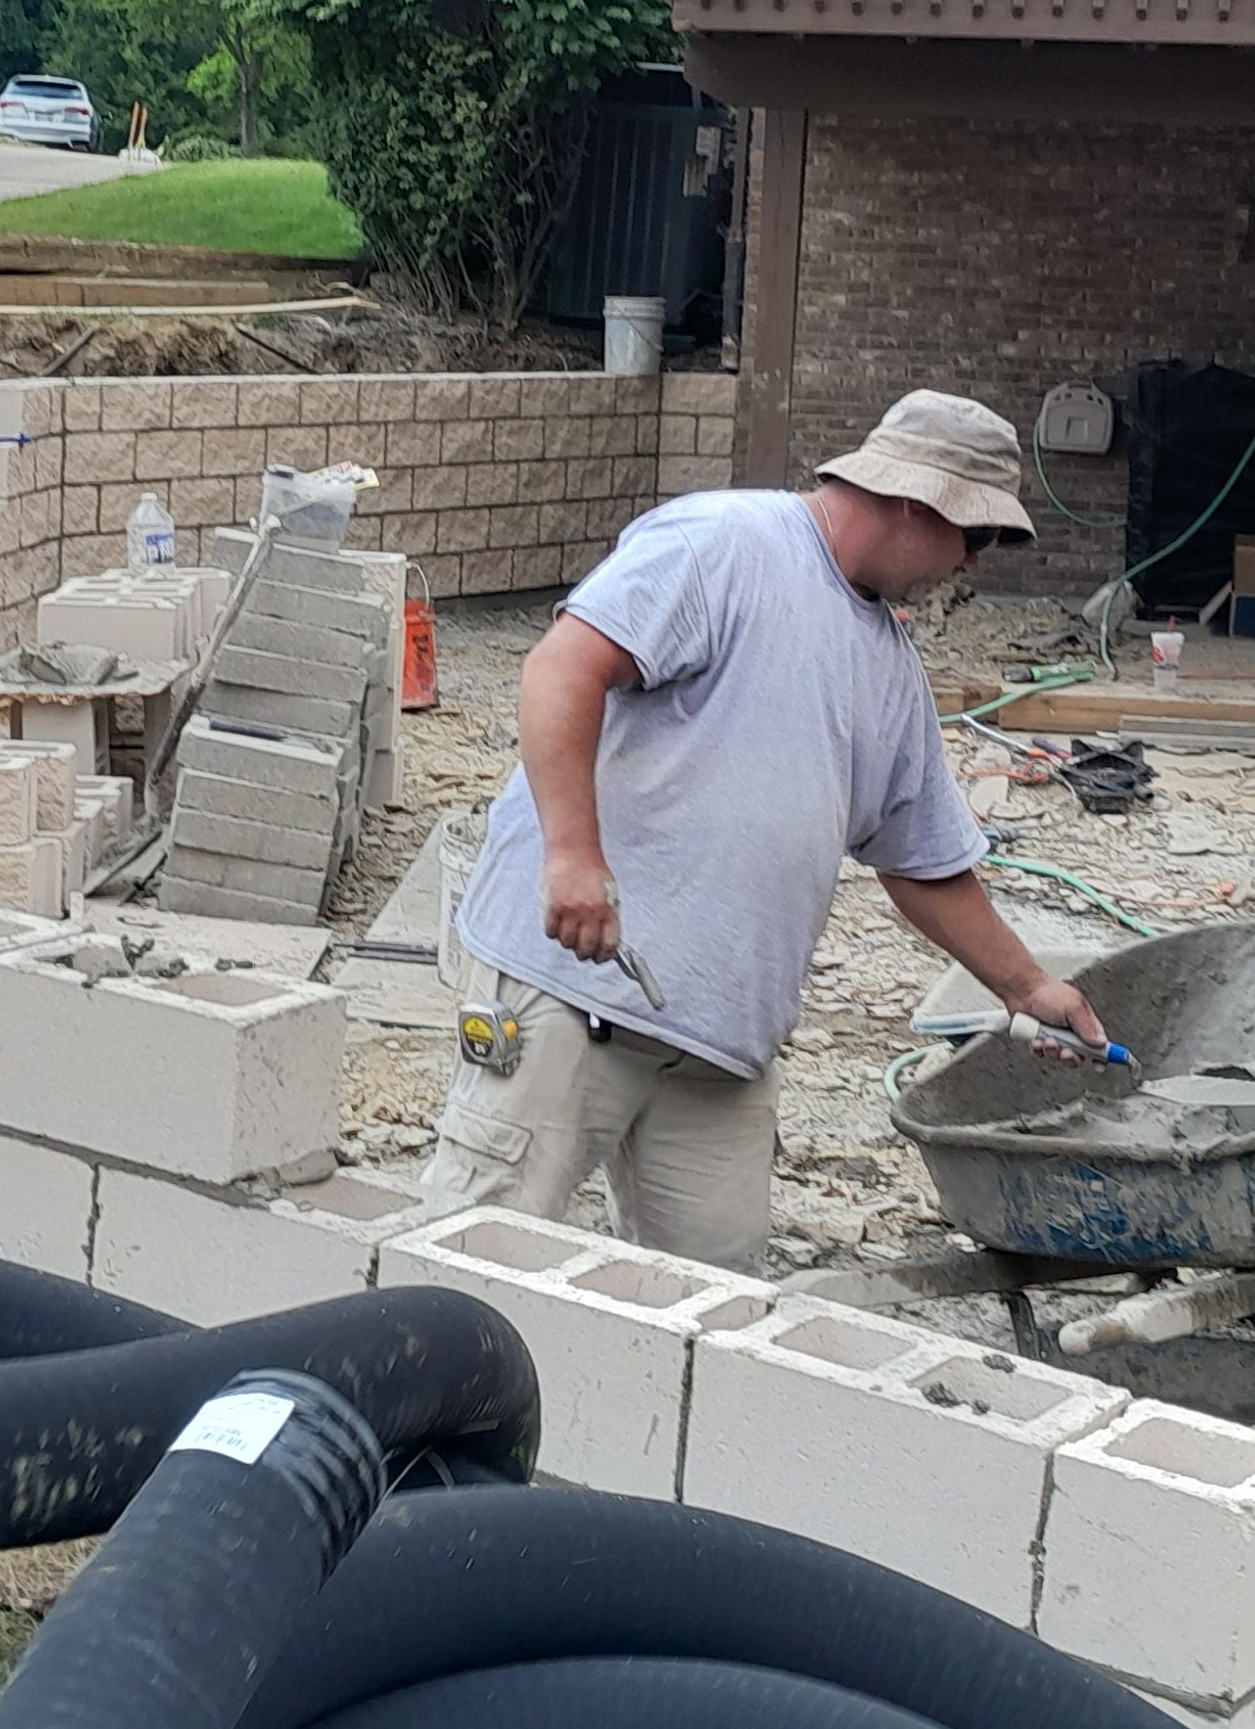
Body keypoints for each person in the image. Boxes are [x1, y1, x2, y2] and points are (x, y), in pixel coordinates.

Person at [414, 390, 1112, 1273]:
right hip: (569, 998)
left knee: (716, 1324)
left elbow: (921, 860)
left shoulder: (889, 664)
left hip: (717, 1054)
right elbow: (563, 667)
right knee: (469, 1269)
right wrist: (572, 851)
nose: (972, 565)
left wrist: (1024, 987)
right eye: (973, 538)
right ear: (915, 501)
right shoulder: (724, 545)